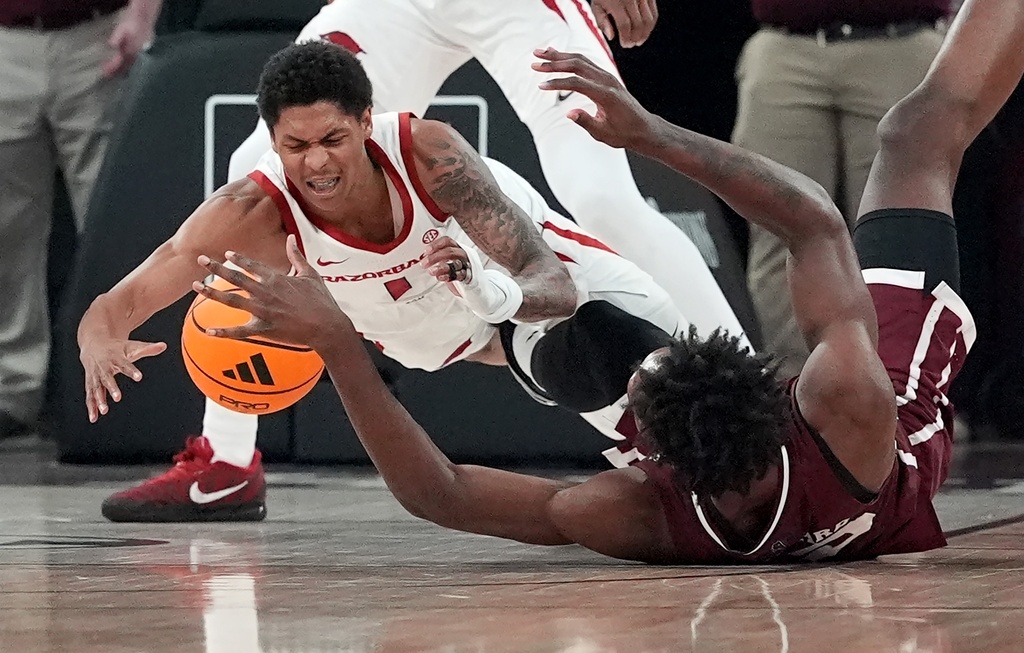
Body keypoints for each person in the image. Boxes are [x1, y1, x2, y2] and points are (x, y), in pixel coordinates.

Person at [194, 0, 1024, 563]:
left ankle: (513, 334)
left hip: (789, 481)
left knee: (576, 342)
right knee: (918, 134)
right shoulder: (847, 399)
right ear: (781, 392)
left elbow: (440, 494)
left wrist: (342, 343)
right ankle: (512, 332)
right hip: (890, 453)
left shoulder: (637, 516)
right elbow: (813, 220)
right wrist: (655, 135)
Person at [80, 41, 734, 522]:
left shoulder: (431, 156)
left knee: (620, 353)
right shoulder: (251, 214)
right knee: (564, 379)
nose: (316, 163)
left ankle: (722, 453)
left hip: (536, 281)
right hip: (437, 332)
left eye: (333, 139)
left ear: (367, 121)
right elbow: (120, 302)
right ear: (275, 142)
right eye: (295, 146)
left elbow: (551, 286)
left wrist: (491, 290)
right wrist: (100, 341)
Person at [735, 0, 952, 378]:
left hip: (900, 41)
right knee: (776, 225)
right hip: (785, 45)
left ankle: (901, 396)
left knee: (899, 236)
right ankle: (793, 398)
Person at [0, 0, 163, 439]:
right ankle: (12, 390)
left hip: (98, 35)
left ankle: (131, 381)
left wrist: (144, 13)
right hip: (5, 41)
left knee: (112, 220)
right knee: (6, 230)